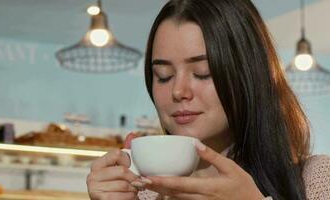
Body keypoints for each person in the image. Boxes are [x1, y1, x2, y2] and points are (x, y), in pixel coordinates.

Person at [86, 0, 330, 199]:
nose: (178, 91)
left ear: (248, 76)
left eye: (204, 73)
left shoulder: (316, 180)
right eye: (164, 76)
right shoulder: (145, 193)